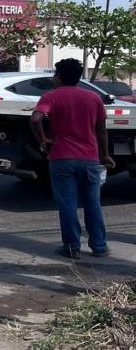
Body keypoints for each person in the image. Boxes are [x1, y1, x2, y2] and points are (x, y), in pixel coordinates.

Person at [30, 58, 114, 259]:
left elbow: (35, 119)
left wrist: (43, 140)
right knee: (92, 202)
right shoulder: (93, 98)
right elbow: (101, 131)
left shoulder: (51, 97)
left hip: (61, 158)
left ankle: (71, 246)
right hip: (90, 159)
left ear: (59, 76)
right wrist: (105, 155)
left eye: (55, 74)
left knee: (67, 204)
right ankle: (99, 246)